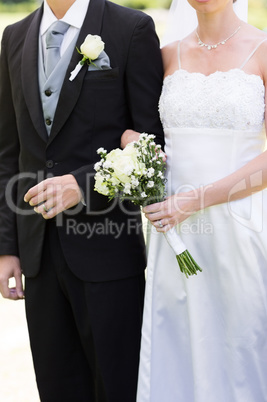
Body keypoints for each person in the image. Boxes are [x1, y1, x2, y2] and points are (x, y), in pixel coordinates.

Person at [0, 0, 164, 401]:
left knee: (117, 387)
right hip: (38, 252)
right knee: (56, 388)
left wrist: (84, 185)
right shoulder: (14, 37)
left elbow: (152, 144)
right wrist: (6, 247)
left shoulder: (132, 28)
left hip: (108, 249)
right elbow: (8, 152)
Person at [135, 0, 267, 401]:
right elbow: (139, 133)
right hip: (172, 230)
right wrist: (135, 158)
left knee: (241, 343)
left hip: (239, 227)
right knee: (176, 341)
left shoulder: (262, 50)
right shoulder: (163, 56)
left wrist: (197, 200)